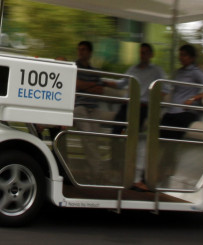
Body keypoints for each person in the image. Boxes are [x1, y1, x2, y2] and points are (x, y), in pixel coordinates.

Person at [108, 43, 166, 191]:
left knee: (135, 137)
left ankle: (135, 177)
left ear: (151, 55)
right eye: (141, 53)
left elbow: (164, 89)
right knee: (115, 133)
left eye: (146, 53)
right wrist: (101, 80)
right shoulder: (133, 69)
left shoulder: (156, 71)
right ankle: (117, 170)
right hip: (128, 105)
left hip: (143, 107)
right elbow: (121, 83)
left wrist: (153, 103)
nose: (143, 55)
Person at [71, 40, 110, 180]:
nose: (81, 52)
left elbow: (99, 90)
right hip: (80, 107)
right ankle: (98, 171)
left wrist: (85, 86)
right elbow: (76, 84)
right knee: (88, 137)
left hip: (93, 108)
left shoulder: (94, 71)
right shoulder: (74, 66)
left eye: (84, 49)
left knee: (93, 139)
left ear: (89, 52)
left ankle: (92, 170)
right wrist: (90, 85)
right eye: (79, 49)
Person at [160, 44, 203, 139]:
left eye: (184, 55)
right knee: (162, 129)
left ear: (191, 57)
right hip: (172, 111)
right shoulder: (178, 72)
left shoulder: (195, 72)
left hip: (186, 112)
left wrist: (193, 98)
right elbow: (170, 88)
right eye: (180, 55)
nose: (181, 57)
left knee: (173, 133)